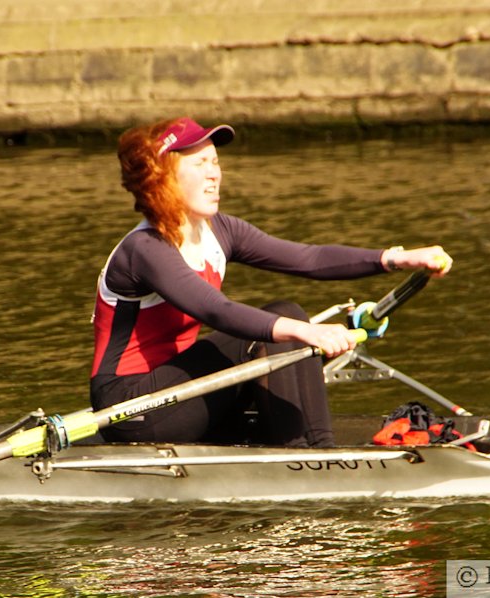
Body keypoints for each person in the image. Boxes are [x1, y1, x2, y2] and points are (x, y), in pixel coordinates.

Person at [90, 117, 452, 448]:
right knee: (282, 322)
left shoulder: (221, 231)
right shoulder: (144, 249)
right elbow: (216, 310)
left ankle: (303, 451)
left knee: (283, 326)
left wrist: (396, 258)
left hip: (182, 394)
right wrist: (306, 331)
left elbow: (308, 258)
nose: (214, 174)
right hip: (131, 409)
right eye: (200, 163)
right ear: (164, 178)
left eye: (215, 162)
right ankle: (319, 458)